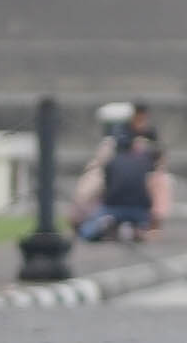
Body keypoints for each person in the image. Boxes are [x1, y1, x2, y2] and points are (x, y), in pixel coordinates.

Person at [73, 103, 171, 243]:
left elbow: (158, 162)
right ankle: (85, 219)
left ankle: (147, 226)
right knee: (94, 180)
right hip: (125, 202)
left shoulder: (149, 137)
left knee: (161, 181)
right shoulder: (114, 141)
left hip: (131, 200)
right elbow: (103, 168)